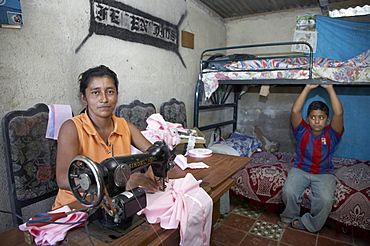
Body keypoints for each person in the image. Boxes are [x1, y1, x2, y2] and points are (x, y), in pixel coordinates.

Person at [52, 65, 162, 209]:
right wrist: (121, 181)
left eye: (110, 92)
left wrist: (152, 170)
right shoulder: (72, 128)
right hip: (76, 207)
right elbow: (63, 180)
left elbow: (154, 153)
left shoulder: (124, 125)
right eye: (95, 93)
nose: (104, 99)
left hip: (114, 203)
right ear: (84, 98)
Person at [278, 84, 344, 232]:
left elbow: (339, 114)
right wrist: (308, 87)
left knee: (326, 200)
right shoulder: (301, 131)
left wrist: (330, 88)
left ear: (327, 120)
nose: (316, 121)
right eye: (313, 117)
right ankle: (288, 217)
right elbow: (295, 111)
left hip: (324, 173)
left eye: (321, 118)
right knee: (289, 191)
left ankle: (307, 223)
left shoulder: (331, 134)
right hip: (301, 169)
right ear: (307, 119)